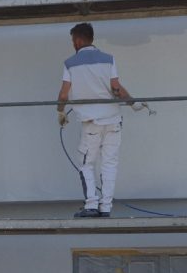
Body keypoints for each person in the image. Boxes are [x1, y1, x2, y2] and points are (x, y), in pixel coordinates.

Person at [56, 23, 134, 218]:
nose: (73, 44)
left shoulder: (70, 63)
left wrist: (60, 111)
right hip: (113, 119)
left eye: (73, 40)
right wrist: (133, 102)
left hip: (92, 121)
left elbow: (64, 94)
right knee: (109, 163)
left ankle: (91, 204)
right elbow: (116, 87)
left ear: (79, 40)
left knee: (86, 163)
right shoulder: (108, 60)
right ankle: (106, 207)